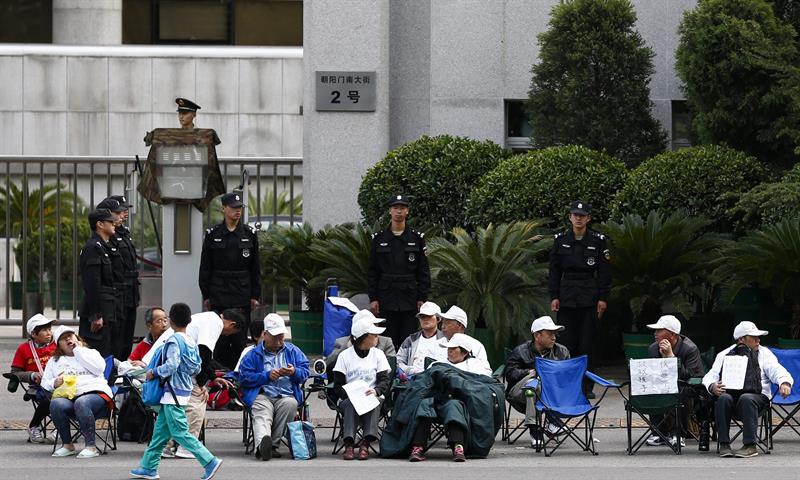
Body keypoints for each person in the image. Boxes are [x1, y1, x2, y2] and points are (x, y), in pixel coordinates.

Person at [130, 303, 223, 480]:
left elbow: (171, 365)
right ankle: (148, 467)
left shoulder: (174, 340)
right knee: (160, 434)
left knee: (180, 432)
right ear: (189, 321)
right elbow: (197, 368)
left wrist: (154, 372)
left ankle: (209, 461)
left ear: (171, 320)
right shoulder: (191, 341)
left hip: (172, 393)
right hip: (181, 391)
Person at [702, 321, 793, 458]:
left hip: (758, 399)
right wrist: (712, 386)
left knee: (747, 398)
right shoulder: (725, 354)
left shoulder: (764, 354)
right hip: (732, 400)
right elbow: (710, 376)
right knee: (723, 398)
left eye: (758, 337)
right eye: (753, 337)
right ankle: (724, 444)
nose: (758, 340)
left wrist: (784, 382)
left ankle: (750, 446)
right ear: (741, 340)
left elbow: (776, 370)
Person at [548, 200, 611, 398]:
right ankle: (569, 386)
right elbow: (554, 270)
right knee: (567, 343)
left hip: (589, 296)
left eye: (582, 216)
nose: (578, 218)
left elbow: (604, 272)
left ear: (588, 219)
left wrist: (603, 298)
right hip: (566, 296)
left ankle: (586, 387)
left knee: (587, 343)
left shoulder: (598, 241)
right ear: (570, 217)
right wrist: (554, 296)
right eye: (575, 215)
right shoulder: (560, 240)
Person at [408, 333, 493, 462]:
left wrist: (458, 384)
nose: (449, 352)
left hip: (463, 405)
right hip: (436, 401)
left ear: (464, 352)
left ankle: (458, 446)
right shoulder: (437, 364)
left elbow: (481, 388)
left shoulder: (476, 366)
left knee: (454, 406)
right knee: (424, 405)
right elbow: (424, 383)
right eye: (448, 349)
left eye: (453, 349)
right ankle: (418, 447)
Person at [199, 191, 261, 363]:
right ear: (223, 209)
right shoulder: (213, 234)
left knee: (240, 338)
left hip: (242, 292)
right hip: (219, 292)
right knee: (219, 339)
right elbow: (205, 267)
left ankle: (238, 376)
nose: (237, 211)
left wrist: (255, 295)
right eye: (233, 208)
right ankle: (219, 376)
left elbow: (255, 267)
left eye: (240, 208)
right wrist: (207, 294)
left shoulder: (249, 234)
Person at [239, 313, 310, 460]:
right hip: (262, 394)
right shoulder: (252, 354)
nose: (279, 340)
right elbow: (244, 378)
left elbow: (305, 372)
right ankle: (261, 445)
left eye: (281, 336)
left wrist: (293, 372)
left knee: (290, 404)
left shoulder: (293, 351)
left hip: (286, 395)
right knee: (262, 412)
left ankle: (271, 445)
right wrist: (266, 376)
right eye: (275, 336)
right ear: (265, 334)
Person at [367, 194, 431, 348]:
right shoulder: (379, 239)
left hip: (409, 299)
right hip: (385, 298)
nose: (399, 211)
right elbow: (372, 271)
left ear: (407, 211)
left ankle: (406, 371)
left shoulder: (417, 239)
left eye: (402, 208)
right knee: (387, 340)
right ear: (390, 211)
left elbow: (423, 270)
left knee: (408, 339)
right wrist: (373, 297)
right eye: (395, 208)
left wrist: (422, 297)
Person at [42, 326, 112, 459]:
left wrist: (79, 351)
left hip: (95, 393)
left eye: (70, 335)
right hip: (69, 396)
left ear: (77, 338)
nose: (68, 339)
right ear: (59, 346)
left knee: (82, 402)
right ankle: (67, 445)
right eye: (63, 338)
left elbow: (99, 369)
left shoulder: (90, 352)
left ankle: (91, 446)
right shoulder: (55, 361)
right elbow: (45, 383)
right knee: (56, 404)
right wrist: (54, 383)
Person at [333, 310, 391, 460]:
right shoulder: (344, 356)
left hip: (372, 395)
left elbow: (385, 380)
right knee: (352, 404)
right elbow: (338, 386)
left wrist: (376, 391)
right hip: (349, 398)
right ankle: (349, 444)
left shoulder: (378, 354)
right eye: (374, 335)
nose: (377, 337)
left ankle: (365, 443)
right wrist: (351, 394)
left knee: (373, 402)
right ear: (363, 338)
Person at [505, 315, 570, 447]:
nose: (554, 337)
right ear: (537, 336)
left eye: (555, 334)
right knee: (534, 381)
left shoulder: (561, 351)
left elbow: (567, 378)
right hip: (518, 393)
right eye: (549, 333)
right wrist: (529, 372)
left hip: (549, 394)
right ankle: (552, 421)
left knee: (534, 388)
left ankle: (535, 430)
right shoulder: (521, 351)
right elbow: (509, 375)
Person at [644, 315, 705, 448]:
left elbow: (693, 376)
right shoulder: (653, 349)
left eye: (659, 330)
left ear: (672, 334)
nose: (655, 333)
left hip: (688, 387)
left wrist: (672, 358)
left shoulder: (690, 349)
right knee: (650, 387)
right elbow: (652, 373)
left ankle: (678, 434)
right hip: (663, 386)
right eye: (655, 331)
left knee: (681, 389)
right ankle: (658, 433)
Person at [10, 314, 56, 443]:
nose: (49, 333)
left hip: (58, 384)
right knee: (49, 399)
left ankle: (60, 429)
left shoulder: (56, 346)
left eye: (50, 329)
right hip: (37, 387)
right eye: (45, 330)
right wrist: (32, 375)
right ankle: (33, 426)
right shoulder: (24, 349)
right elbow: (15, 373)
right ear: (34, 334)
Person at [78, 209, 118, 357]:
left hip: (107, 309)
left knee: (107, 353)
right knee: (96, 354)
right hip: (97, 312)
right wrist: (96, 315)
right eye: (110, 222)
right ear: (100, 224)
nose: (114, 224)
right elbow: (91, 283)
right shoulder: (93, 248)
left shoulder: (103, 246)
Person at [109, 194, 140, 360]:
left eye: (125, 210)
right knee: (117, 338)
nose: (124, 213)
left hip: (131, 292)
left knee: (128, 336)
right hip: (119, 292)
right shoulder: (109, 235)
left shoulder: (124, 233)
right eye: (120, 211)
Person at [325, 309, 396, 377]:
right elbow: (328, 365)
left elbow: (391, 369)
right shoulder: (342, 342)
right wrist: (350, 346)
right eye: (372, 325)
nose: (375, 328)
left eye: (376, 324)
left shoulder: (386, 342)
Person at [396, 301, 446, 375]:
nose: (425, 319)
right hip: (412, 380)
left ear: (438, 318)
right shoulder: (411, 340)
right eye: (422, 316)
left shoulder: (446, 340)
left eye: (429, 316)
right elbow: (398, 361)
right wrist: (410, 371)